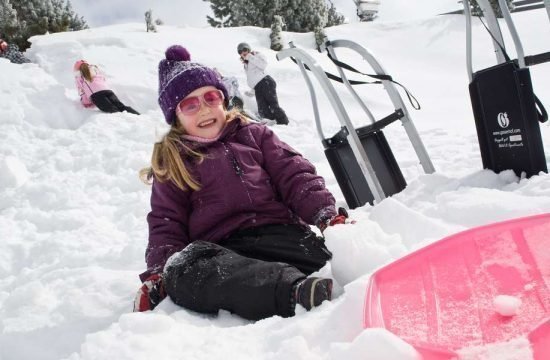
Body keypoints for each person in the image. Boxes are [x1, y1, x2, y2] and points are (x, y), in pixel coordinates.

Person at [133, 45, 351, 321]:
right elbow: (166, 221)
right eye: (190, 104)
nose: (204, 109)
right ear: (175, 117)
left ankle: (356, 277)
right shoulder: (173, 160)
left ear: (223, 100)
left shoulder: (254, 135)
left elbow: (294, 176)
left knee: (337, 258)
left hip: (283, 236)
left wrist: (326, 217)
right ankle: (293, 291)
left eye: (211, 97)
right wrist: (160, 272)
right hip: (224, 256)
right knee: (183, 270)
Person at [237, 42, 289, 125]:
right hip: (258, 87)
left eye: (245, 49)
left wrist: (250, 57)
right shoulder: (246, 64)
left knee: (273, 105)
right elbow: (253, 78)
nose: (243, 52)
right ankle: (272, 124)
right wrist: (252, 91)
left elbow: (263, 65)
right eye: (240, 51)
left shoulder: (256, 55)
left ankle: (284, 123)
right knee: (262, 109)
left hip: (266, 82)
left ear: (249, 49)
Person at [73, 60, 140, 115]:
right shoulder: (96, 70)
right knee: (121, 107)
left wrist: (86, 103)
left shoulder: (79, 77)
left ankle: (125, 123)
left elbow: (82, 92)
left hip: (96, 95)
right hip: (108, 91)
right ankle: (137, 116)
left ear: (77, 69)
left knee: (112, 111)